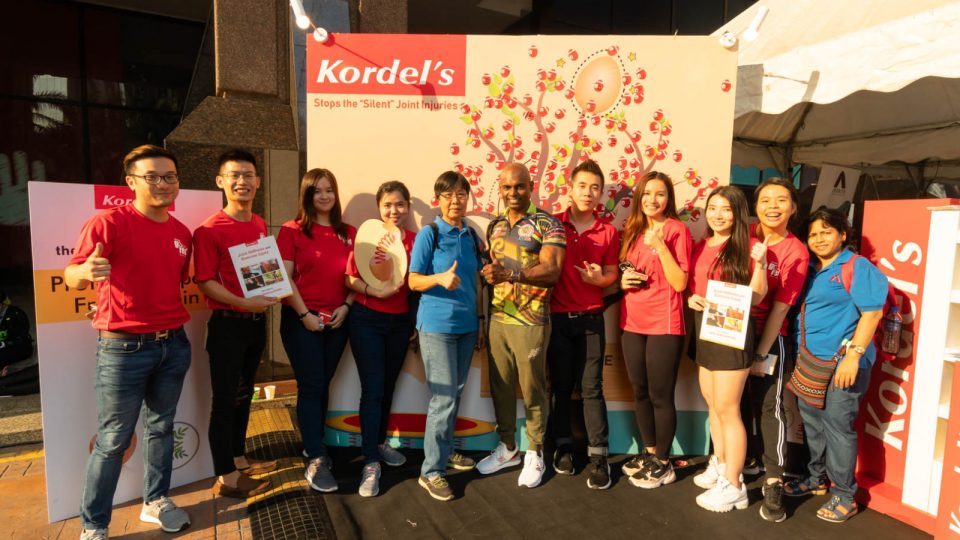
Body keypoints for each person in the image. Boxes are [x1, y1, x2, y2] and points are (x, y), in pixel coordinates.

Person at [67, 145, 193, 539]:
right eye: (152, 177)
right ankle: (94, 525)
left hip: (174, 344)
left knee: (162, 428)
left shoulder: (182, 232)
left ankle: (155, 500)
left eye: (169, 176)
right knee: (112, 440)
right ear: (131, 182)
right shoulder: (108, 223)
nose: (162, 183)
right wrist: (83, 271)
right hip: (123, 349)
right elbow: (72, 275)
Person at [784, 208, 887, 523]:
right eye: (813, 234)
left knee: (838, 427)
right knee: (812, 423)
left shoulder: (857, 266)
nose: (819, 239)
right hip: (809, 361)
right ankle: (817, 479)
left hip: (844, 363)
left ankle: (844, 495)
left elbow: (872, 313)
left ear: (843, 234)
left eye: (826, 232)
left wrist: (853, 357)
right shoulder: (809, 268)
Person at [192, 149, 277, 499]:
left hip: (255, 324)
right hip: (227, 324)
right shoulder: (209, 229)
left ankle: (239, 458)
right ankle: (226, 477)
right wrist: (244, 302)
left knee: (245, 393)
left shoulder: (258, 223)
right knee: (225, 400)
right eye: (234, 175)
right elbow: (204, 281)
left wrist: (271, 290)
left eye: (248, 175)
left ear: (258, 181)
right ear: (220, 181)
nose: (242, 181)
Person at [477, 162, 565, 489]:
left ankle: (535, 451)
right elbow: (492, 270)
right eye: (506, 187)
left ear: (531, 187)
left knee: (532, 388)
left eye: (519, 186)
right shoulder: (495, 225)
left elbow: (552, 271)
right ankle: (508, 447)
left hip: (531, 320)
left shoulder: (549, 224)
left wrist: (510, 274)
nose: (513, 193)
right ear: (500, 189)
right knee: (500, 386)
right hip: (499, 318)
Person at [687, 186, 768, 512]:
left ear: (737, 214)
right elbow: (695, 285)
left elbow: (758, 296)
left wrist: (761, 264)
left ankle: (734, 485)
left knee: (728, 409)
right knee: (712, 404)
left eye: (726, 209)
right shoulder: (702, 245)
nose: (718, 215)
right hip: (704, 329)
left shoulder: (748, 246)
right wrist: (692, 299)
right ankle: (721, 465)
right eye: (713, 208)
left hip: (732, 333)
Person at [277, 168, 356, 493]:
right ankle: (315, 455)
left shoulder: (349, 233)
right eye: (317, 191)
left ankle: (314, 444)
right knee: (311, 385)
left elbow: (357, 278)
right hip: (301, 321)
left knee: (323, 383)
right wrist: (304, 315)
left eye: (329, 190)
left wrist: (346, 306)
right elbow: (284, 278)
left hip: (337, 320)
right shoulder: (291, 230)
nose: (324, 196)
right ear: (307, 195)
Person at [409, 171, 485, 501]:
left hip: (467, 327)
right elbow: (412, 280)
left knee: (455, 393)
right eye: (449, 195)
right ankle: (431, 472)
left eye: (461, 194)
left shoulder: (472, 235)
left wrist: (479, 321)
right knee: (443, 399)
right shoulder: (430, 233)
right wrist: (438, 278)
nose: (456, 200)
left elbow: (477, 282)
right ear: (438, 199)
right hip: (436, 327)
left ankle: (445, 450)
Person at [546, 160, 619, 489]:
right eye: (582, 186)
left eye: (595, 188)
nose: (588, 193)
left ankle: (599, 456)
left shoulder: (608, 231)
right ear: (570, 189)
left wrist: (598, 279)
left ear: (601, 194)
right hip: (558, 319)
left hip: (591, 319)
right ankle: (563, 447)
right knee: (561, 387)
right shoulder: (552, 225)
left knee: (591, 389)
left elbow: (612, 273)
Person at [618, 171, 692, 489]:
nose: (652, 199)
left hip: (664, 323)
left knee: (660, 394)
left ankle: (664, 462)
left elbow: (680, 282)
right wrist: (624, 280)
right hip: (631, 321)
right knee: (640, 391)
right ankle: (650, 453)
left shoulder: (677, 230)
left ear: (668, 198)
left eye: (660, 193)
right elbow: (626, 270)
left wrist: (661, 247)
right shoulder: (633, 228)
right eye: (647, 193)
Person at [344, 181, 416, 497]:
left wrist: (414, 321)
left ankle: (380, 443)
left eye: (400, 204)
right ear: (379, 207)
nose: (393, 210)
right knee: (372, 390)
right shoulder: (368, 235)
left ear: (408, 207)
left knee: (387, 386)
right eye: (387, 204)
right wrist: (375, 292)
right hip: (367, 320)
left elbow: (416, 283)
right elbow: (350, 278)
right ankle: (370, 461)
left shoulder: (415, 240)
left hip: (400, 323)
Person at [744, 177, 810, 523]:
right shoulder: (744, 235)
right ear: (755, 206)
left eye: (781, 200)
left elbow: (781, 308)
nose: (772, 206)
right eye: (765, 200)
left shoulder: (796, 251)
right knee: (736, 404)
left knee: (772, 408)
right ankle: (742, 463)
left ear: (793, 207)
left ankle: (774, 481)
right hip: (732, 332)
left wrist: (760, 354)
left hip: (769, 337)